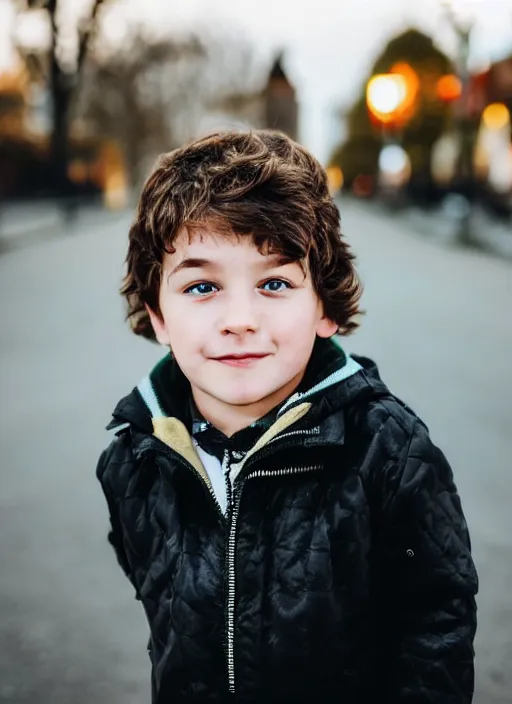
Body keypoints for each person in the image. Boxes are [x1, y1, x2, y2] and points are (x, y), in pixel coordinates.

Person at [96, 129, 478, 704]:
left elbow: (436, 622)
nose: (240, 318)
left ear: (325, 306)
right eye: (202, 286)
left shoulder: (388, 451)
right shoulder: (135, 461)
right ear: (158, 317)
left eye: (274, 282)